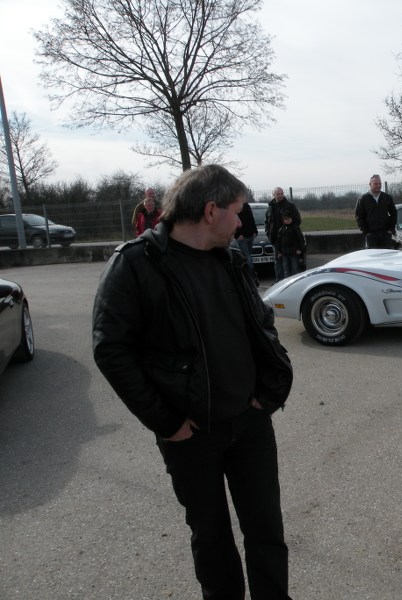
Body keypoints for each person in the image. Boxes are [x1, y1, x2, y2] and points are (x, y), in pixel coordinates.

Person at [92, 164, 294, 600]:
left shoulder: (232, 259)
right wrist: (167, 423)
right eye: (237, 211)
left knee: (267, 531)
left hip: (250, 423)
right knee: (212, 539)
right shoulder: (134, 265)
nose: (242, 222)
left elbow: (261, 325)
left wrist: (268, 392)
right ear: (209, 210)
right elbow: (111, 350)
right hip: (190, 435)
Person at [266, 187, 302, 281]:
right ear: (273, 195)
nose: (280, 195)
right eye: (278, 194)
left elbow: (298, 220)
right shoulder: (270, 208)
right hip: (276, 240)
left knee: (292, 264)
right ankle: (279, 283)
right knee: (278, 262)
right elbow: (267, 222)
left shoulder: (290, 206)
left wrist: (290, 230)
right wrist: (268, 233)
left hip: (290, 240)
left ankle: (294, 282)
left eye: (282, 193)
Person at [354, 174, 396, 249]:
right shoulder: (363, 199)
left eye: (380, 184)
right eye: (376, 184)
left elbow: (394, 213)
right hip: (371, 235)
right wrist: (366, 232)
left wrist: (391, 229)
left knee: (386, 257)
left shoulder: (387, 198)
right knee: (373, 258)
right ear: (370, 184)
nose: (378, 185)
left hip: (385, 234)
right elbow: (359, 216)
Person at [234, 196, 259, 281]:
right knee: (248, 257)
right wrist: (237, 235)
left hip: (247, 236)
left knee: (247, 257)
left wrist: (254, 231)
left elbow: (251, 219)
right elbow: (235, 221)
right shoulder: (240, 206)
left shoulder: (244, 206)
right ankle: (252, 276)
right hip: (245, 236)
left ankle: (251, 277)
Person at [275, 211, 305, 278]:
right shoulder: (281, 229)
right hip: (284, 254)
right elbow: (278, 242)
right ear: (283, 220)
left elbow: (301, 239)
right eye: (285, 219)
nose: (287, 220)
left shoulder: (296, 228)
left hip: (294, 253)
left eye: (288, 218)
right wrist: (279, 252)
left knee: (295, 271)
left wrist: (300, 249)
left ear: (291, 219)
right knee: (286, 271)